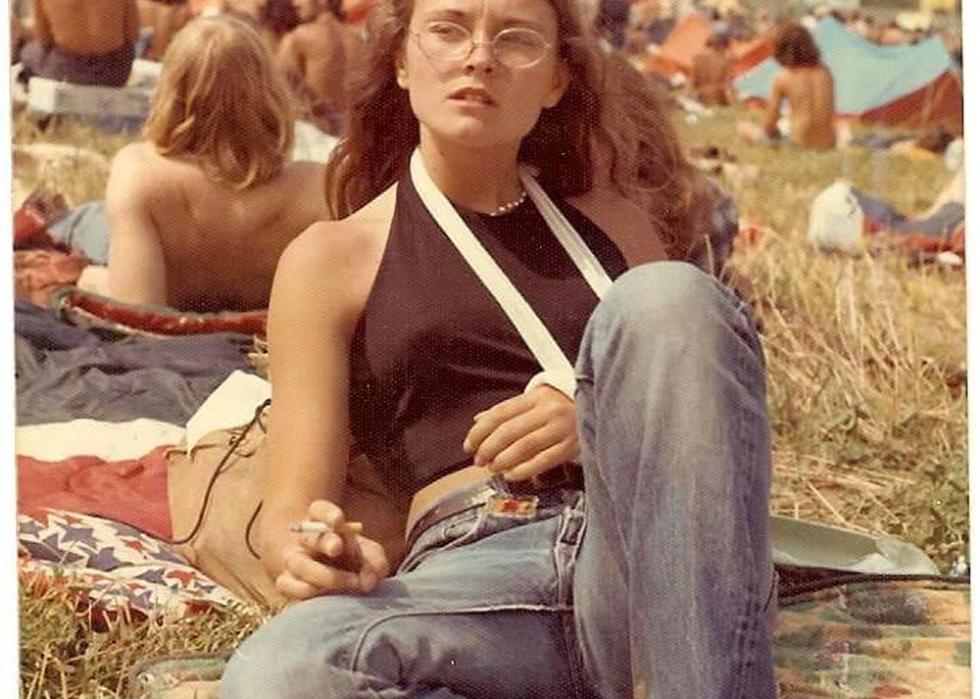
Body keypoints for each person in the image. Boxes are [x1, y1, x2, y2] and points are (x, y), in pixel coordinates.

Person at [221, 0, 776, 697]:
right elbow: (290, 511)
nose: (479, 56)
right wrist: (312, 550)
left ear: (555, 81)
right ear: (399, 60)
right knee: (286, 669)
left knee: (673, 297)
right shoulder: (331, 259)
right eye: (449, 30)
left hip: (645, 553)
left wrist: (597, 415)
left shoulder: (617, 228)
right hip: (474, 573)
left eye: (515, 39)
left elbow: (703, 408)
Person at [63, 15, 328, 312]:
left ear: (171, 90)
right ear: (269, 91)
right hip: (260, 315)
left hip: (163, 294)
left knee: (82, 221)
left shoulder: (141, 172)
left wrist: (92, 280)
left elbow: (136, 314)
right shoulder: (315, 188)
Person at [737, 22, 836, 150]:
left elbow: (769, 126)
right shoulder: (825, 71)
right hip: (828, 144)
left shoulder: (784, 77)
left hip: (798, 146)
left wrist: (775, 130)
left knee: (743, 127)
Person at [20, 0, 139, 87]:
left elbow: (43, 39)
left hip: (67, 73)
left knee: (27, 52)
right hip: (114, 74)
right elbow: (132, 34)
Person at [275, 0, 349, 134]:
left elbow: (276, 90)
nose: (295, 3)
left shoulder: (298, 38)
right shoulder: (356, 39)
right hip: (350, 135)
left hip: (317, 135)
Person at [690, 30, 734, 106]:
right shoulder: (724, 58)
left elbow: (693, 81)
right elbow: (727, 84)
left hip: (702, 98)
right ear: (723, 46)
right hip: (719, 99)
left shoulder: (697, 57)